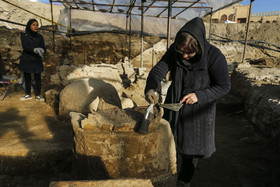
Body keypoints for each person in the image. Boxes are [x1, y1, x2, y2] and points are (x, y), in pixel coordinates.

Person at [145, 17, 231, 186]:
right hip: (174, 108)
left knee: (191, 152)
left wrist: (199, 95)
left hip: (198, 114)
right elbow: (158, 71)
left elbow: (224, 86)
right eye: (181, 51)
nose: (184, 55)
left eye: (189, 53)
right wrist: (151, 88)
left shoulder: (214, 56)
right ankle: (168, 175)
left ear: (198, 46)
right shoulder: (175, 52)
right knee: (169, 144)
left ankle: (184, 181)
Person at [19, 19, 46, 101]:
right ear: (29, 25)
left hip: (37, 59)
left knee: (38, 77)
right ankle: (28, 94)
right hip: (27, 59)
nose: (35, 27)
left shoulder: (40, 37)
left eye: (37, 25)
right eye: (33, 25)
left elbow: (43, 47)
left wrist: (42, 50)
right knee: (27, 77)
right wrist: (34, 49)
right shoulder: (24, 35)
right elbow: (25, 46)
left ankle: (38, 95)